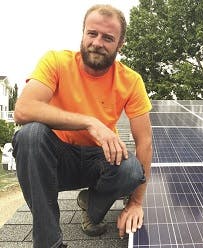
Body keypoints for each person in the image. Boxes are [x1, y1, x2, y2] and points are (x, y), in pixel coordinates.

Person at [12, 4, 152, 248]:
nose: (98, 42)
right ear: (83, 33)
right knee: (30, 135)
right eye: (92, 33)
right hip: (55, 161)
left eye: (108, 38)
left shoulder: (131, 80)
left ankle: (92, 205)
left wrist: (135, 203)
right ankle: (49, 242)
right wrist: (89, 122)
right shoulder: (56, 61)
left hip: (98, 161)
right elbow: (23, 109)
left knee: (132, 170)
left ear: (120, 45)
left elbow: (145, 142)